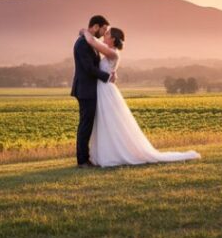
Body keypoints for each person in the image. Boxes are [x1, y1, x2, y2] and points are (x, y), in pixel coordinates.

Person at [80, 26, 200, 167]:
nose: (104, 36)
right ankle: (104, 154)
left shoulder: (113, 53)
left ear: (112, 39)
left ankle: (113, 154)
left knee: (110, 122)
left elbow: (93, 42)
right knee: (104, 122)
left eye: (107, 34)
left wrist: (85, 32)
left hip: (106, 91)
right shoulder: (110, 53)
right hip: (102, 89)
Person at [71, 15, 114, 168]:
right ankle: (82, 161)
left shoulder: (89, 42)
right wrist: (107, 76)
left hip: (88, 89)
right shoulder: (82, 44)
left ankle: (85, 158)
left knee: (87, 124)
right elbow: (89, 68)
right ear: (95, 27)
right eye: (103, 29)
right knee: (85, 124)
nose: (104, 33)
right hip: (85, 90)